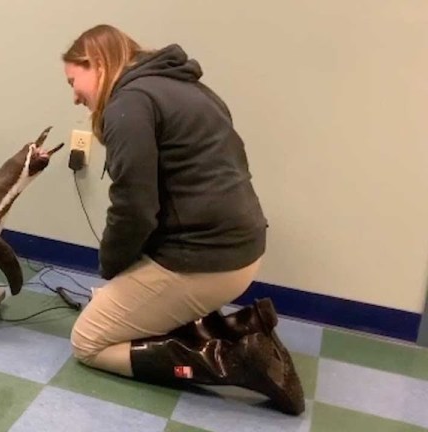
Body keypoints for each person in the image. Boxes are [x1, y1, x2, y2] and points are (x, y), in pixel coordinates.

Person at [61, 24, 305, 416]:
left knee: (87, 341)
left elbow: (134, 208)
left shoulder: (130, 103)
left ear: (99, 64)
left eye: (74, 80)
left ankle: (234, 359)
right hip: (240, 251)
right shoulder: (187, 88)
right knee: (113, 303)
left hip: (204, 261)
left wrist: (111, 267)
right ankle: (237, 329)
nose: (74, 95)